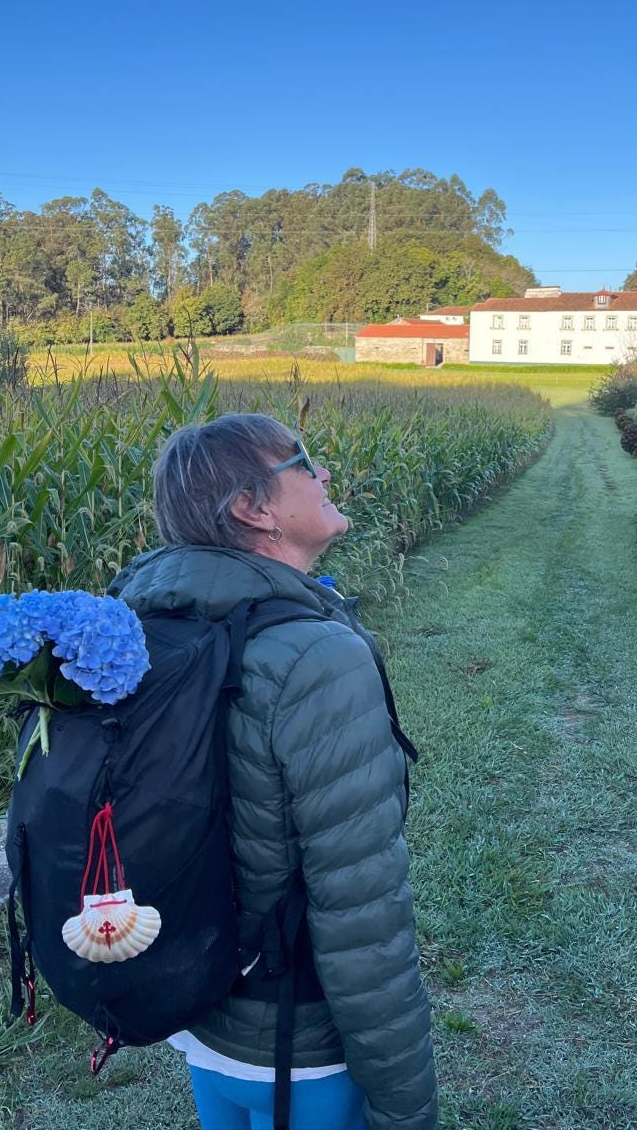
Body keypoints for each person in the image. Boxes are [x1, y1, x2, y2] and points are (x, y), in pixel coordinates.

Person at [109, 413, 437, 1130]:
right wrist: (405, 1104)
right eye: (305, 463)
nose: (325, 474)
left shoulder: (136, 625)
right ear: (253, 509)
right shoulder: (317, 658)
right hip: (300, 1049)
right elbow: (362, 913)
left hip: (201, 1019)